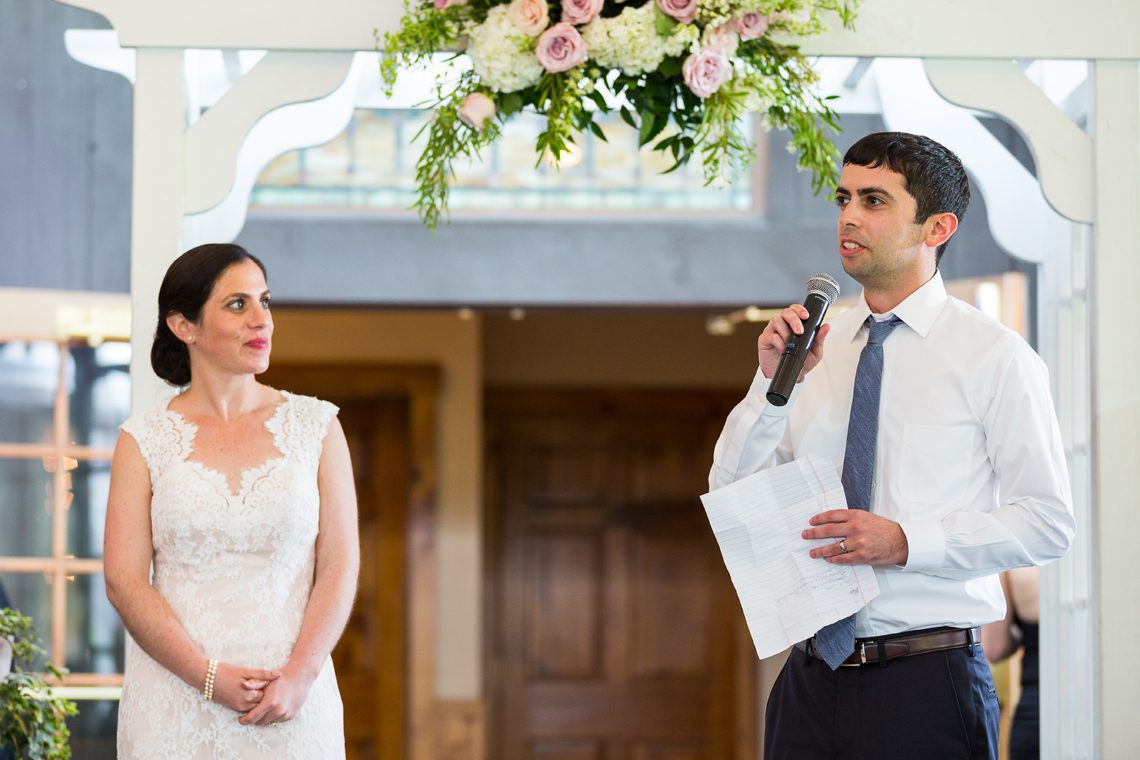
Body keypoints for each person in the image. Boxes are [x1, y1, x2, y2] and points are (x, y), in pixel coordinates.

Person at [709, 132, 1074, 759]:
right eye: (843, 198)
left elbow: (1047, 523)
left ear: (938, 227)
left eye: (874, 200)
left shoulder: (995, 357)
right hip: (808, 681)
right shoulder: (814, 350)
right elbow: (734, 494)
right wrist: (770, 385)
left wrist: (907, 541)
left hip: (927, 682)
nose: (849, 216)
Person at [104, 243, 360, 759]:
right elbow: (124, 580)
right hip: (174, 704)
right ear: (185, 326)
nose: (261, 319)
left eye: (265, 301)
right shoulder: (143, 439)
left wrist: (301, 676)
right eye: (238, 304)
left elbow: (339, 563)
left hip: (291, 702)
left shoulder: (317, 427)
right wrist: (206, 676)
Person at [983, 567, 1041, 759]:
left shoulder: (1016, 561)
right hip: (1100, 704)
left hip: (1036, 710)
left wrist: (1024, 636)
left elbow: (994, 648)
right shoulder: (1107, 563)